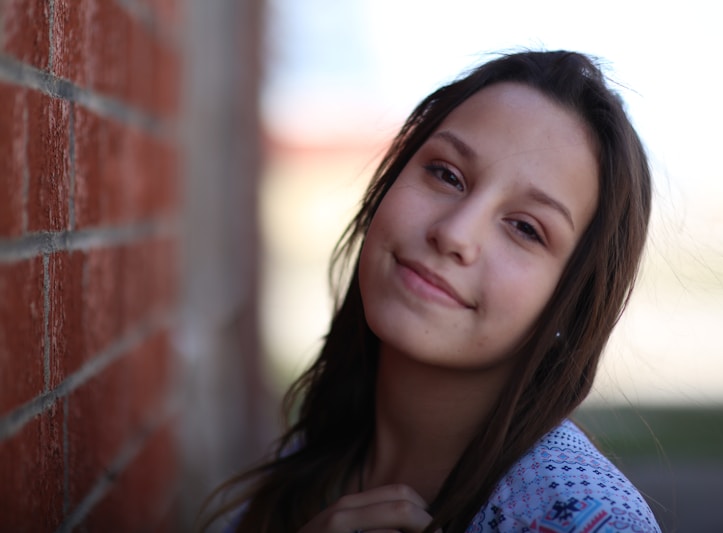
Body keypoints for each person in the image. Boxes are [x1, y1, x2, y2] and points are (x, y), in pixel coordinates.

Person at [203, 49, 661, 532]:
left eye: (526, 228)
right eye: (446, 174)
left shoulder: (589, 520)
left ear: (573, 305)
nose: (455, 233)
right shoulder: (308, 458)